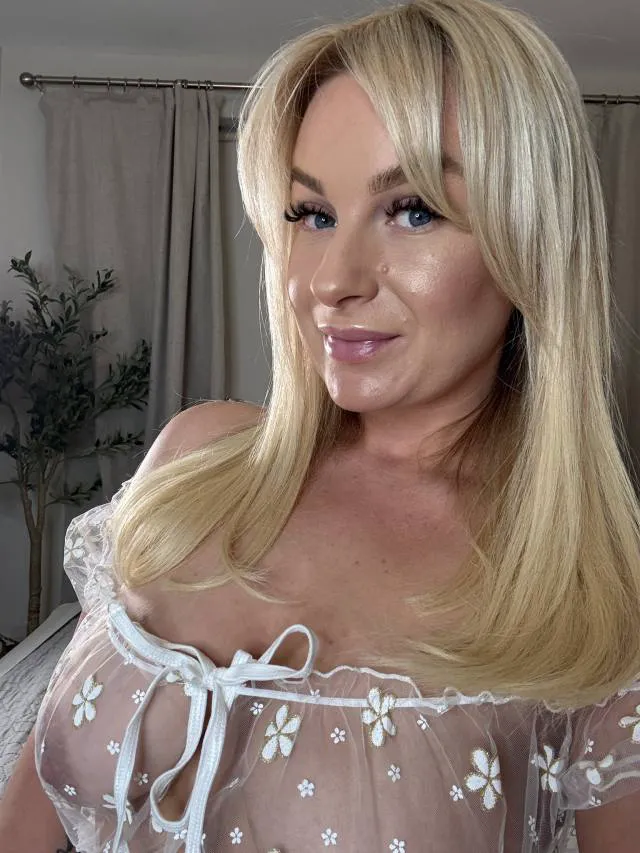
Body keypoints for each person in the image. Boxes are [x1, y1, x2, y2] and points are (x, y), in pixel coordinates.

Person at [2, 0, 640, 850]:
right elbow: (27, 817)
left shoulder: (585, 592)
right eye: (313, 214)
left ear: (532, 245)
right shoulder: (195, 457)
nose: (331, 280)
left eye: (413, 209)